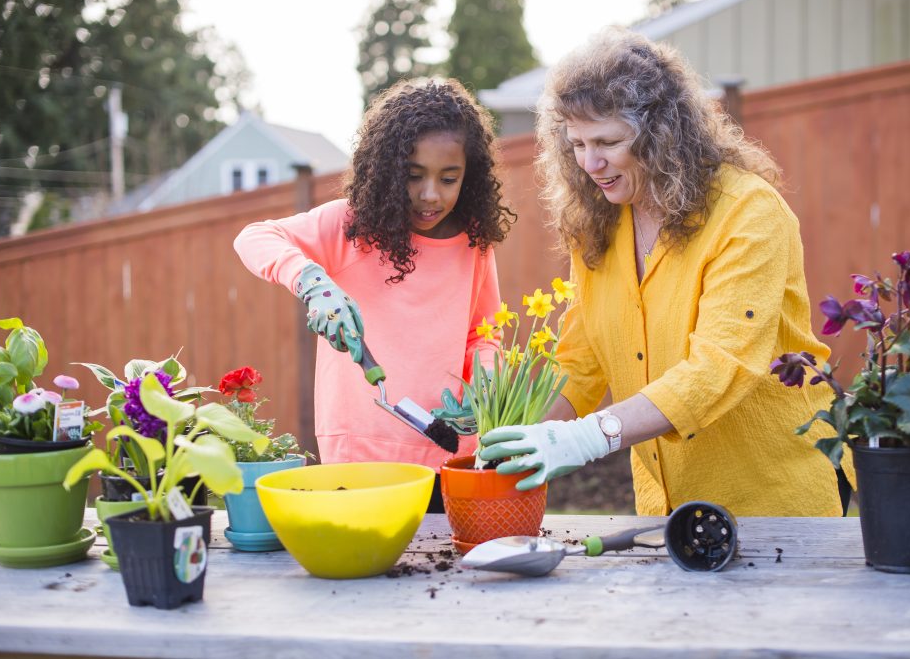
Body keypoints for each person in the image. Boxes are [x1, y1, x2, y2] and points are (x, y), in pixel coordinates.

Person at [479, 27, 855, 517]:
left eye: (608, 141)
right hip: (667, 507)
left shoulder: (748, 213)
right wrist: (523, 439)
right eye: (575, 144)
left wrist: (589, 437)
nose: (590, 163)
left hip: (773, 494)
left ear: (661, 133)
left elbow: (720, 367)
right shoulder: (600, 222)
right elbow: (582, 359)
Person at [234, 79, 514, 512]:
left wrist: (482, 388)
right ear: (386, 170)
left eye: (449, 178)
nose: (430, 195)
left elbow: (483, 333)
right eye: (413, 176)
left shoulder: (474, 243)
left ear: (469, 176)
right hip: (357, 457)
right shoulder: (351, 226)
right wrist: (311, 280)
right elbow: (255, 238)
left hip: (448, 457)